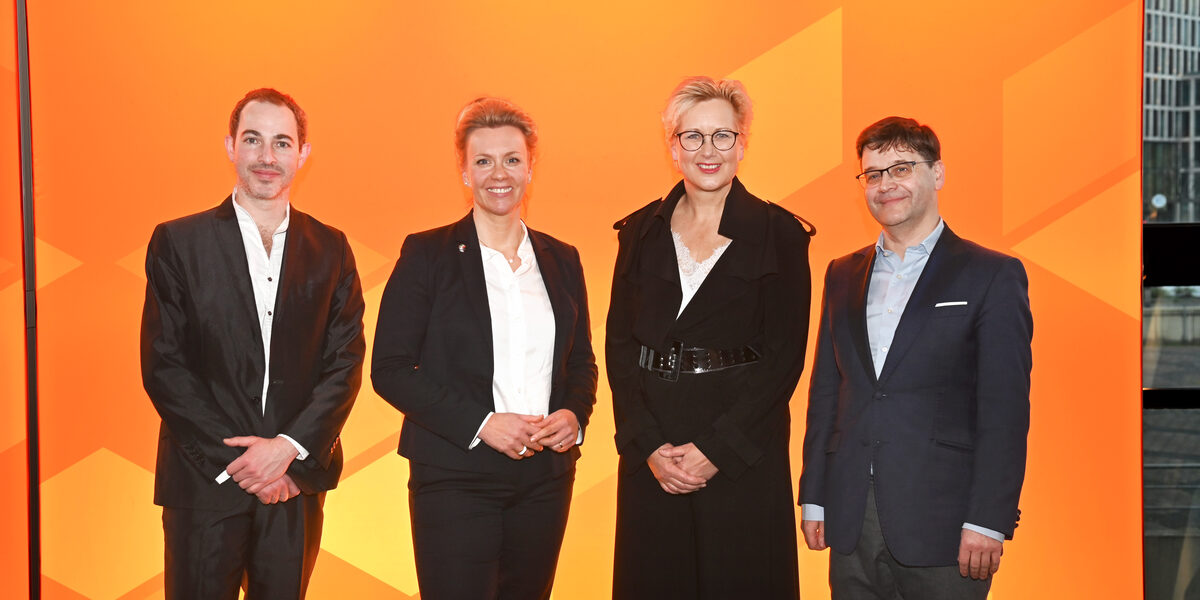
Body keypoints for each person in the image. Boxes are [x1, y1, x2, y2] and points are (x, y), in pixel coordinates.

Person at [140, 87, 365, 599]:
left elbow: (344, 362)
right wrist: (246, 466)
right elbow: (164, 365)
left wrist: (286, 451)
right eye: (253, 140)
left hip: (294, 483)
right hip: (203, 483)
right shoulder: (178, 242)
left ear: (302, 154)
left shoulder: (331, 248)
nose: (268, 157)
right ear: (230, 146)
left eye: (282, 143)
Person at [371, 97, 597, 600]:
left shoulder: (563, 259)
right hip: (454, 476)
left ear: (531, 167)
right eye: (484, 160)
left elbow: (581, 360)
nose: (500, 173)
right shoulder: (426, 253)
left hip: (546, 478)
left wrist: (573, 413)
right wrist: (482, 423)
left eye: (512, 159)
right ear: (464, 171)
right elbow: (390, 369)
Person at [798, 116, 1033, 599]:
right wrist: (815, 496)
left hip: (947, 521)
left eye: (901, 168)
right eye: (873, 174)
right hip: (850, 517)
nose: (886, 185)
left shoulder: (992, 274)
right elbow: (826, 392)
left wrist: (989, 518)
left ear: (937, 174)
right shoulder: (841, 274)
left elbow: (1005, 410)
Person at [607, 76, 815, 599]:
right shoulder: (638, 232)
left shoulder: (781, 233)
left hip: (742, 453)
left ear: (743, 143)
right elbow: (618, 347)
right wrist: (648, 444)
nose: (708, 150)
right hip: (654, 457)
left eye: (723, 136)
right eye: (692, 136)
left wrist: (717, 449)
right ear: (672, 149)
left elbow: (784, 359)